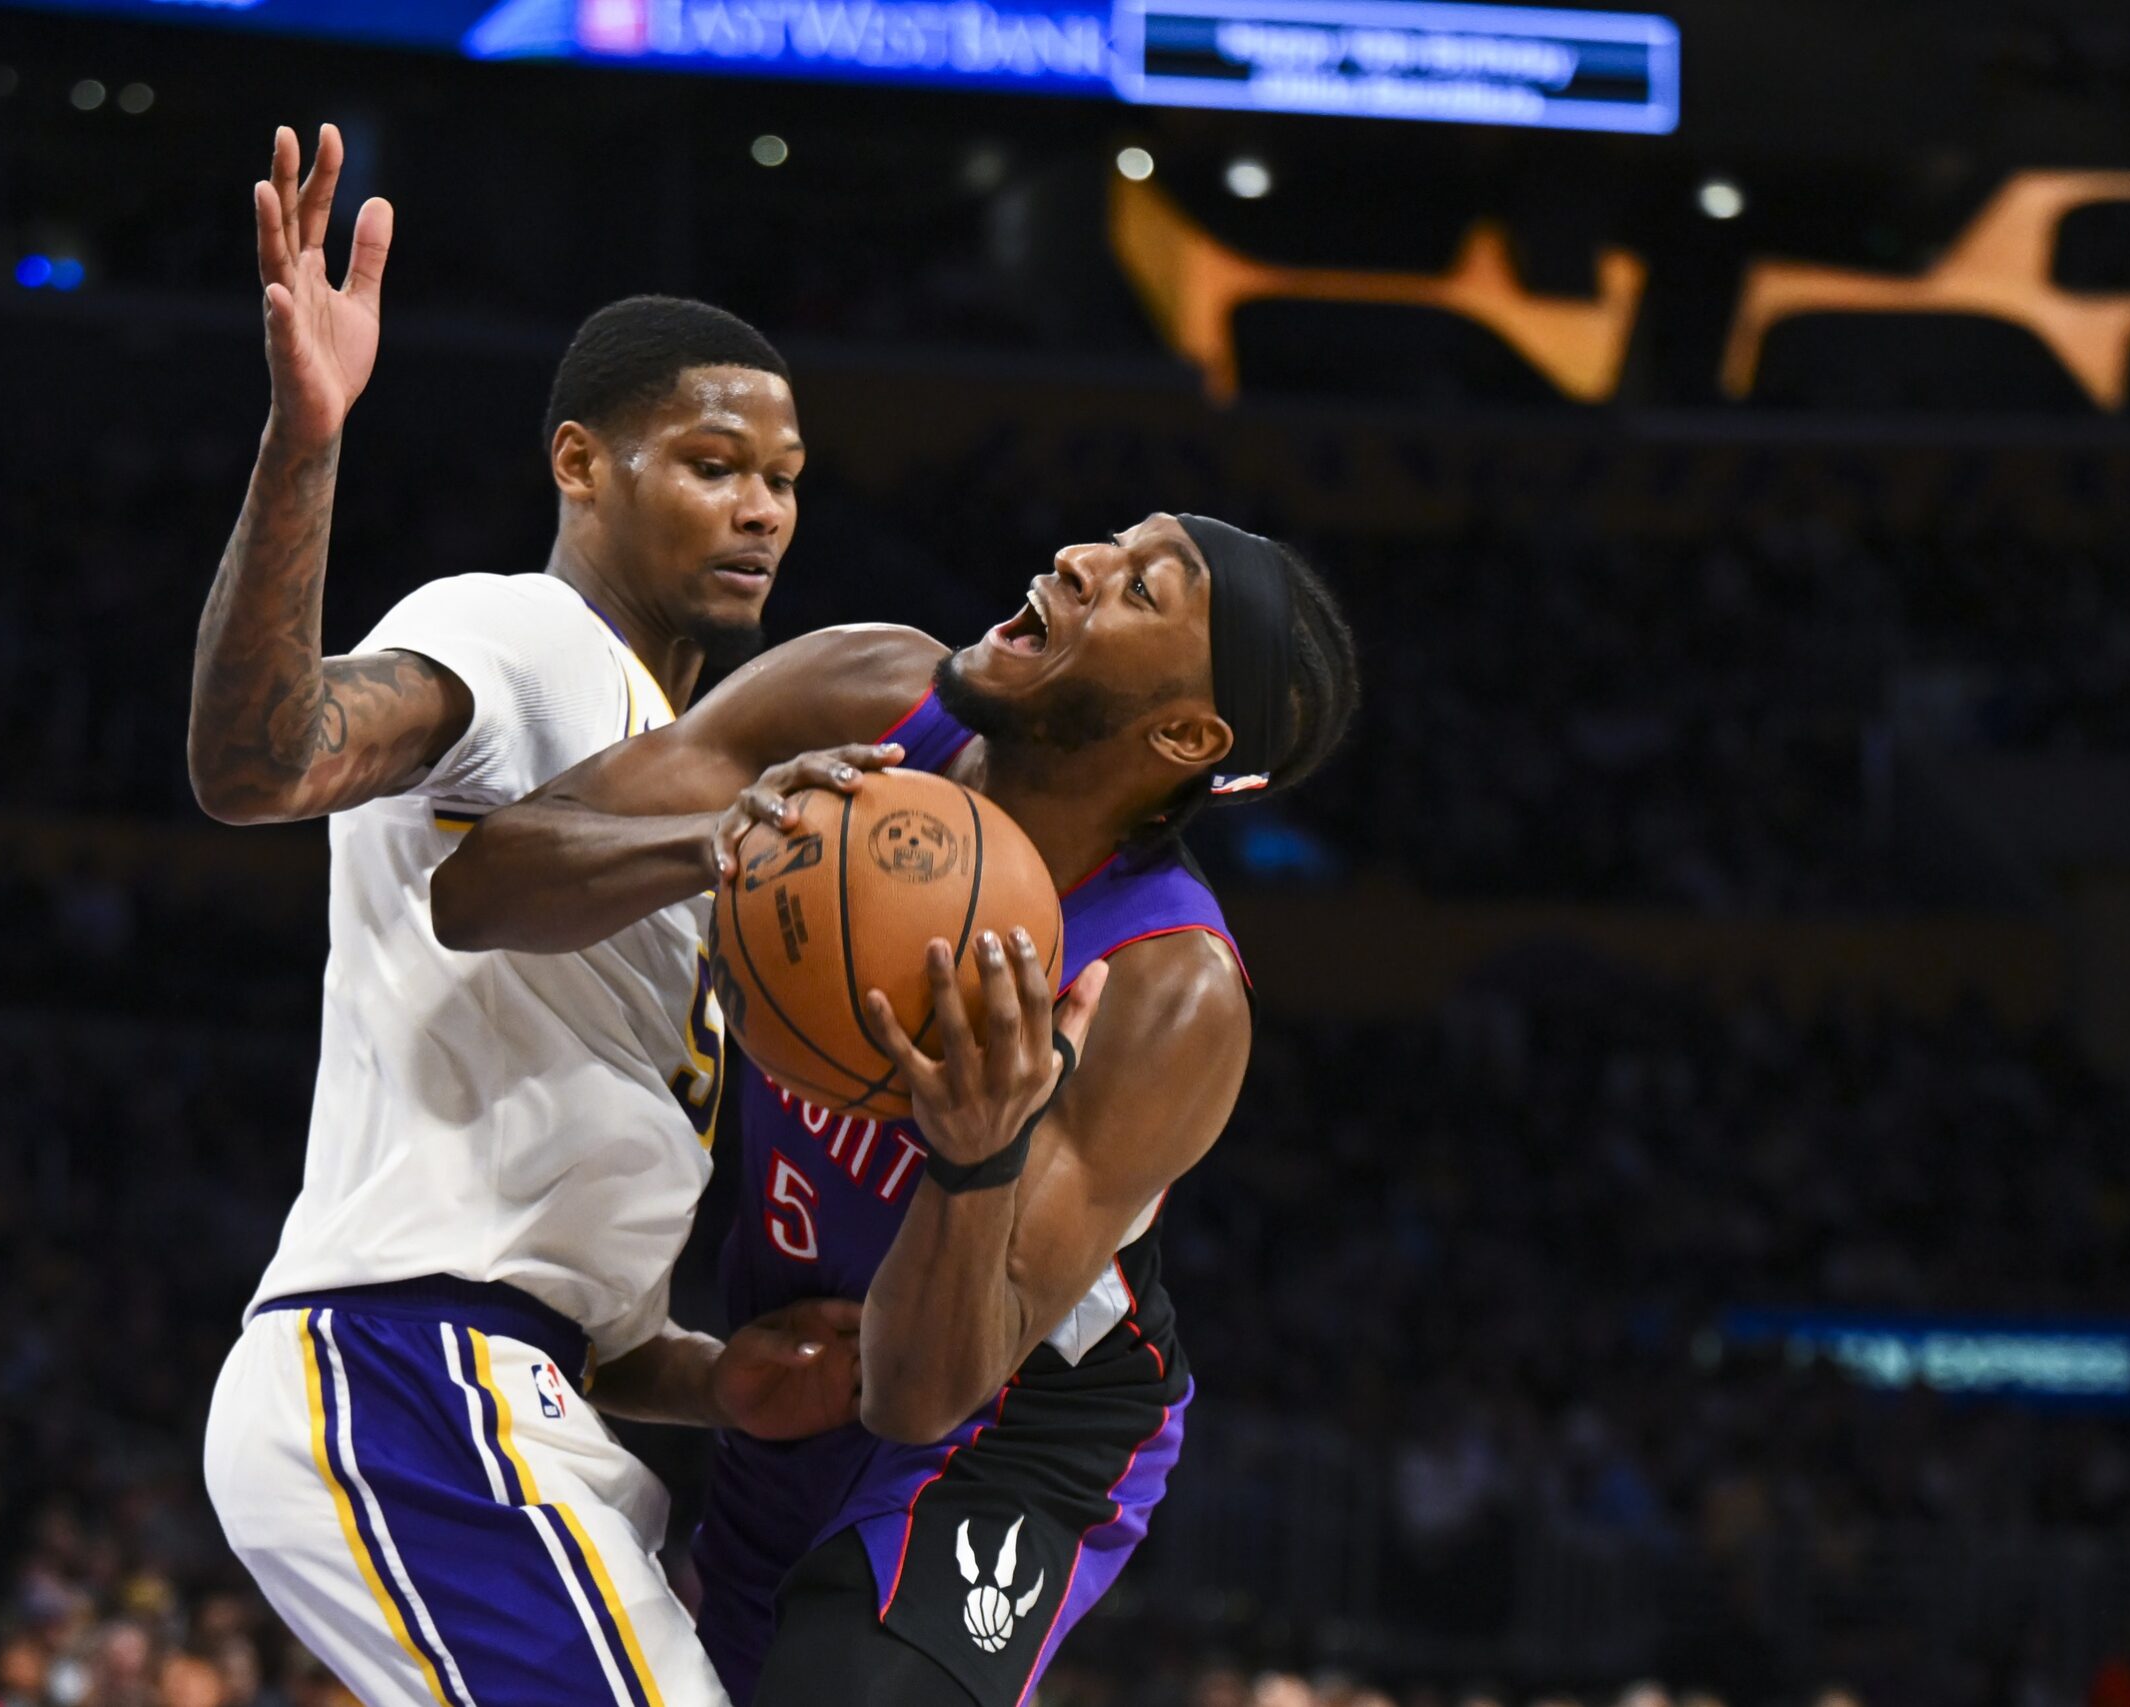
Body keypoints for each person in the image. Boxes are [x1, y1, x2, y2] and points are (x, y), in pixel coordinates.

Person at [432, 511, 1359, 1704]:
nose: (1078, 559)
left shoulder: (1161, 990)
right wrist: (709, 842)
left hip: (1013, 1417)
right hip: (801, 1347)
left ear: (1184, 732)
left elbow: (928, 1397)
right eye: (1109, 544)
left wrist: (976, 1159)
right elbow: (483, 886)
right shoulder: (866, 698)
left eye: (1141, 590)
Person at [186, 122, 857, 1707]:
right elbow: (258, 759)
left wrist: (714, 1374)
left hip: (526, 1389)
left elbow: (589, 1307)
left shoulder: (695, 790)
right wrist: (307, 437)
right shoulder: (518, 631)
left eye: (783, 480)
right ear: (580, 464)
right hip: (402, 1370)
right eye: (711, 466)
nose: (760, 510)